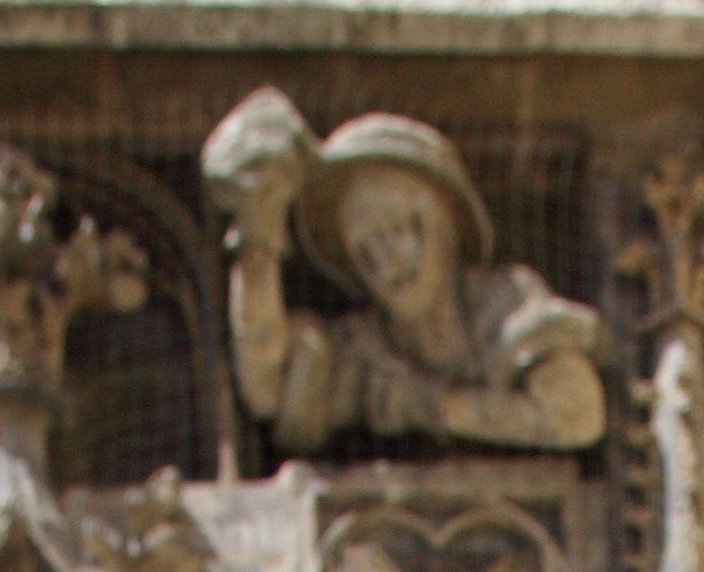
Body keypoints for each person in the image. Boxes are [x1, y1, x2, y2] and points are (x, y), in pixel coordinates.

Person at [199, 89, 606, 456]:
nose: (387, 261)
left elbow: (577, 418)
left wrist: (428, 405)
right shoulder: (365, 346)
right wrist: (259, 232)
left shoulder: (505, 301)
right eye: (365, 249)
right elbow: (268, 389)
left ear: (446, 225)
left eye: (399, 230)